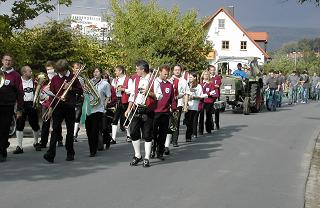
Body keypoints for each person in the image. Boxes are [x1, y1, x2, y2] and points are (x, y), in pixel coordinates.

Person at [43, 59, 83, 163]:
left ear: (66, 69)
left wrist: (70, 89)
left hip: (69, 106)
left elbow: (80, 90)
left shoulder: (73, 78)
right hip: (58, 107)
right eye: (59, 71)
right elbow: (52, 94)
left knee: (70, 130)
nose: (60, 73)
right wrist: (50, 109)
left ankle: (70, 152)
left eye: (62, 71)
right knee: (55, 129)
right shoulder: (55, 78)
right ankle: (51, 154)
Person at [124, 60, 162, 168]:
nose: (136, 71)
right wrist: (128, 109)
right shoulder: (135, 80)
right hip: (136, 109)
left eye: (137, 69)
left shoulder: (154, 80)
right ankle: (137, 155)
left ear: (142, 69)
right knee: (133, 133)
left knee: (147, 135)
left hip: (148, 110)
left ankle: (146, 158)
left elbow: (159, 96)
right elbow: (132, 95)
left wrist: (148, 93)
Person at [0, 54, 24, 162]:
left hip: (8, 106)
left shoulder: (16, 75)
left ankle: (2, 152)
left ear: (12, 62)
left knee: (4, 129)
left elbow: (20, 93)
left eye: (10, 60)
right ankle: (4, 144)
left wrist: (19, 108)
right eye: (6, 60)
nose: (7, 62)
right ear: (2, 61)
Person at [13, 65, 41, 154]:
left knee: (34, 124)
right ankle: (19, 146)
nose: (31, 72)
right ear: (24, 72)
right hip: (21, 105)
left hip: (31, 104)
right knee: (19, 124)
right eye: (30, 71)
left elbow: (39, 93)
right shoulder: (18, 81)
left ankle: (36, 142)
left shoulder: (35, 82)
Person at [84, 68, 111, 157]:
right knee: (88, 130)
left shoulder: (105, 84)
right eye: (94, 71)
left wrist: (104, 106)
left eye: (97, 71)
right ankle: (106, 139)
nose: (95, 73)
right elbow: (85, 94)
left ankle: (93, 150)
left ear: (101, 73)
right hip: (89, 109)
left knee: (95, 130)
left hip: (99, 109)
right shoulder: (89, 82)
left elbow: (108, 96)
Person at [151, 65, 176, 160]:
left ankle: (160, 152)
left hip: (165, 112)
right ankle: (152, 150)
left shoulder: (169, 85)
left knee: (162, 133)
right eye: (165, 74)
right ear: (160, 72)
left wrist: (174, 109)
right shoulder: (154, 82)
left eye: (167, 74)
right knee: (153, 133)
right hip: (154, 111)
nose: (166, 75)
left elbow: (172, 98)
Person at [39, 61, 63, 148]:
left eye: (50, 69)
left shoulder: (57, 78)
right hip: (45, 103)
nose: (49, 71)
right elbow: (41, 90)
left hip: (55, 102)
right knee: (45, 122)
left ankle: (59, 139)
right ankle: (43, 141)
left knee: (56, 123)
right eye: (47, 69)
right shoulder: (44, 79)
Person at [111, 65, 131, 144]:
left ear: (120, 71)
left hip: (125, 101)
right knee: (115, 119)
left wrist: (123, 89)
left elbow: (131, 90)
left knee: (126, 118)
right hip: (117, 100)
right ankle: (113, 138)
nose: (115, 72)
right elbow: (112, 90)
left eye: (116, 71)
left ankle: (129, 135)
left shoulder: (128, 79)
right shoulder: (114, 80)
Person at [185, 71, 207, 142]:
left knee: (191, 121)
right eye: (189, 77)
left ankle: (189, 136)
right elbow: (184, 94)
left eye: (191, 77)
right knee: (187, 121)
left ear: (195, 78)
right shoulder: (186, 85)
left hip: (194, 106)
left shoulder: (199, 86)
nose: (189, 79)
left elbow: (201, 96)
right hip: (187, 106)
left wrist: (194, 97)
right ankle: (189, 133)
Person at [199, 70, 217, 135]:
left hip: (209, 101)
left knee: (208, 115)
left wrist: (207, 94)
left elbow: (213, 92)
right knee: (201, 116)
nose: (206, 75)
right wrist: (208, 93)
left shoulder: (211, 84)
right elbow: (200, 93)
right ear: (202, 75)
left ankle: (208, 129)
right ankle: (200, 130)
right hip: (201, 101)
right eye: (205, 74)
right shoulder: (200, 84)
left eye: (207, 74)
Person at [72, 63, 84, 142]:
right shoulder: (70, 77)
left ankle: (74, 135)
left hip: (79, 99)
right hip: (71, 99)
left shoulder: (82, 79)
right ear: (73, 69)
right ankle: (74, 130)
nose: (77, 70)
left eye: (79, 68)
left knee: (77, 117)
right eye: (76, 68)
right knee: (71, 117)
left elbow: (83, 89)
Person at [209, 65, 221, 130]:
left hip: (216, 96)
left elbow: (217, 85)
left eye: (213, 70)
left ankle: (217, 123)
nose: (213, 71)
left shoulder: (217, 77)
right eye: (211, 70)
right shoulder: (208, 77)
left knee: (216, 110)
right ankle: (211, 124)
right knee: (210, 111)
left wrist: (211, 85)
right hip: (209, 96)